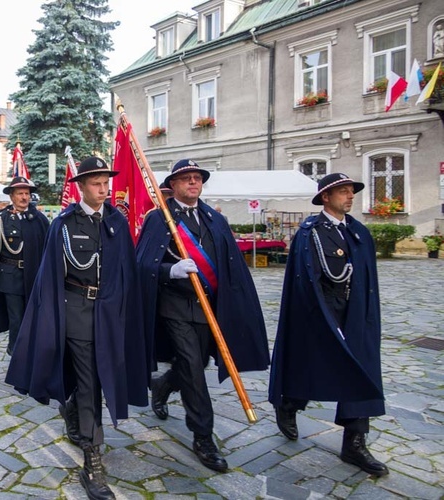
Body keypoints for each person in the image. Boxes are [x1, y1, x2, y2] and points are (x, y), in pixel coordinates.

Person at [5, 157, 149, 500]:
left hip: (110, 313)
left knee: (100, 378)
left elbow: (126, 271)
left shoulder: (116, 221)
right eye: (96, 183)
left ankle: (70, 410)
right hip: (78, 312)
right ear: (80, 186)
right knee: (90, 383)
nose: (104, 188)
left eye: (106, 182)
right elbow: (51, 277)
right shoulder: (64, 224)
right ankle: (93, 458)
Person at [136, 159, 270, 473]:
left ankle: (163, 386)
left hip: (211, 307)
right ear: (174, 185)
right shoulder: (160, 218)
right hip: (174, 308)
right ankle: (203, 436)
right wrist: (171, 270)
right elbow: (141, 264)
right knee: (194, 369)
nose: (193, 183)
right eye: (186, 179)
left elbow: (230, 264)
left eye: (197, 178)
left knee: (196, 363)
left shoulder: (214, 219)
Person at [269, 173, 388, 477]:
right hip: (323, 306)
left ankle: (355, 442)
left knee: (361, 368)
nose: (350, 197)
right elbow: (305, 281)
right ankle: (290, 403)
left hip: (355, 308)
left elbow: (367, 278)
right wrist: (322, 316)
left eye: (351, 192)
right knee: (314, 363)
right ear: (326, 196)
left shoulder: (359, 232)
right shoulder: (311, 232)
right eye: (343, 192)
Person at [0, 176, 49, 355]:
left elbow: (48, 250)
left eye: (27, 193)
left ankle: (30, 352)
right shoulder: (1, 219)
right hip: (10, 277)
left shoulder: (39, 219)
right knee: (16, 319)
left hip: (34, 276)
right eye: (20, 194)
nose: (24, 197)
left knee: (32, 317)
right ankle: (16, 352)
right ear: (12, 196)